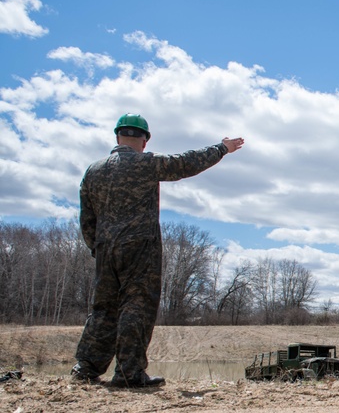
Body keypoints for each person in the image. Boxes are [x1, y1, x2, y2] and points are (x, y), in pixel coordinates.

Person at [71, 114, 245, 388]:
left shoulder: (93, 171)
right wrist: (222, 148)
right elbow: (186, 163)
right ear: (144, 141)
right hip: (140, 249)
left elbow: (86, 218)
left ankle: (85, 368)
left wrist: (98, 247)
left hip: (106, 250)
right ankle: (130, 373)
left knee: (104, 308)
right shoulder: (145, 164)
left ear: (118, 137)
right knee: (136, 307)